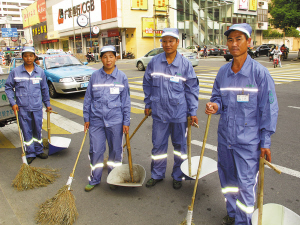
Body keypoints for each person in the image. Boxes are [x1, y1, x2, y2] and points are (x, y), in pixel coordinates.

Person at [205, 23, 279, 225]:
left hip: (248, 142)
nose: (234, 43)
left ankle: (243, 221)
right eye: (230, 39)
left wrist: (265, 141)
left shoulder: (259, 74)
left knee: (246, 186)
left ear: (249, 42)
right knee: (228, 181)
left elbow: (269, 109)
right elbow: (217, 98)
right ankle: (231, 213)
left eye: (239, 39)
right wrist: (214, 106)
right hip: (225, 138)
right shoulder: (223, 73)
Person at [143, 28, 199, 190]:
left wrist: (192, 112)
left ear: (177, 43)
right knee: (158, 146)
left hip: (179, 114)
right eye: (164, 41)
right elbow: (147, 83)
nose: (167, 44)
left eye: (171, 41)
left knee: (180, 147)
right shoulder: (154, 62)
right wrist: (148, 104)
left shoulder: (185, 64)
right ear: (162, 42)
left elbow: (192, 90)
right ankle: (157, 174)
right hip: (159, 112)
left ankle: (178, 174)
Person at [83, 45, 131, 192]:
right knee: (96, 150)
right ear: (100, 58)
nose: (108, 60)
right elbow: (88, 98)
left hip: (115, 120)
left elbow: (126, 101)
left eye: (111, 56)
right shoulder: (95, 76)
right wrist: (86, 118)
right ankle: (95, 179)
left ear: (116, 57)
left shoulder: (121, 77)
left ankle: (113, 178)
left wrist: (126, 121)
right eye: (105, 56)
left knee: (115, 151)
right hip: (96, 120)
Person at [5, 46, 52, 164]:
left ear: (34, 56)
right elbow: (8, 87)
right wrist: (13, 103)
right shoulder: (15, 72)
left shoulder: (40, 72)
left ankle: (38, 150)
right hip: (22, 108)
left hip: (37, 107)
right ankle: (30, 152)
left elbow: (44, 89)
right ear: (22, 57)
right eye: (26, 56)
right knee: (26, 130)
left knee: (37, 129)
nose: (28, 58)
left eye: (31, 55)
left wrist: (47, 104)